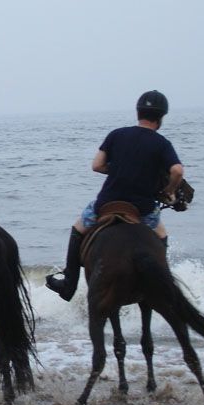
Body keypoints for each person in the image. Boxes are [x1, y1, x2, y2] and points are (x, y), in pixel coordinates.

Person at [45, 90, 184, 302]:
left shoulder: (116, 135)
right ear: (161, 117)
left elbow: (97, 165)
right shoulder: (161, 143)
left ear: (138, 112)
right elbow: (177, 171)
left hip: (106, 204)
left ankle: (69, 283)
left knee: (77, 228)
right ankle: (161, 284)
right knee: (162, 234)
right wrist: (170, 191)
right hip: (142, 209)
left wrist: (119, 169)